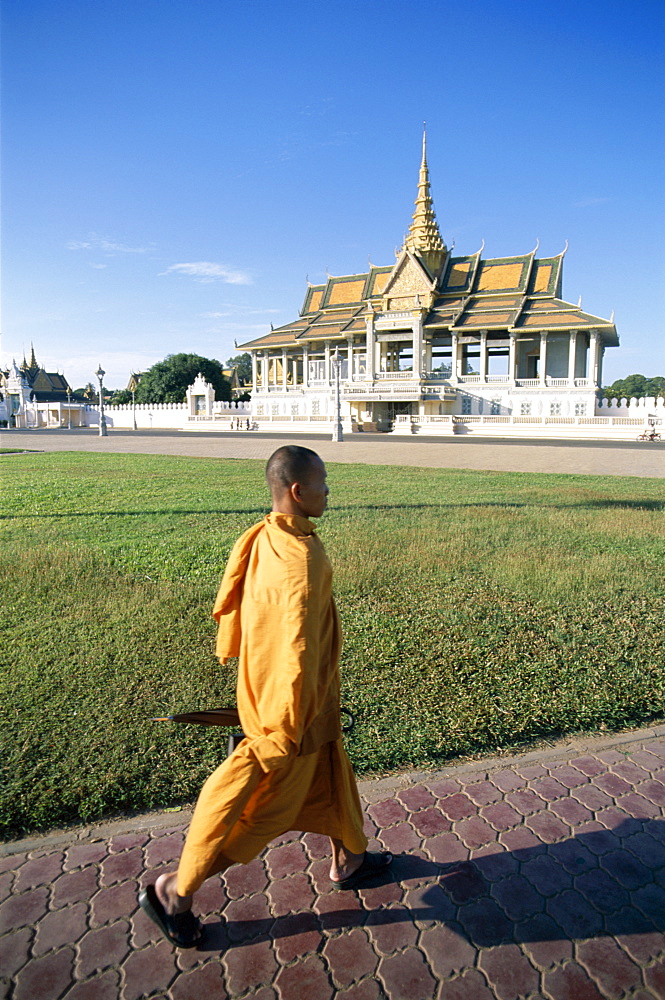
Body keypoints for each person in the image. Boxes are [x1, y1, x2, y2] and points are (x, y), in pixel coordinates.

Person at [139, 445, 391, 947]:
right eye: (322, 482)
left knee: (332, 774)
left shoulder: (269, 537)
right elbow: (293, 655)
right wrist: (284, 730)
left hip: (306, 704)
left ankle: (351, 859)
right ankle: (176, 891)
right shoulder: (299, 559)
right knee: (260, 815)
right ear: (298, 491)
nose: (328, 490)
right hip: (291, 715)